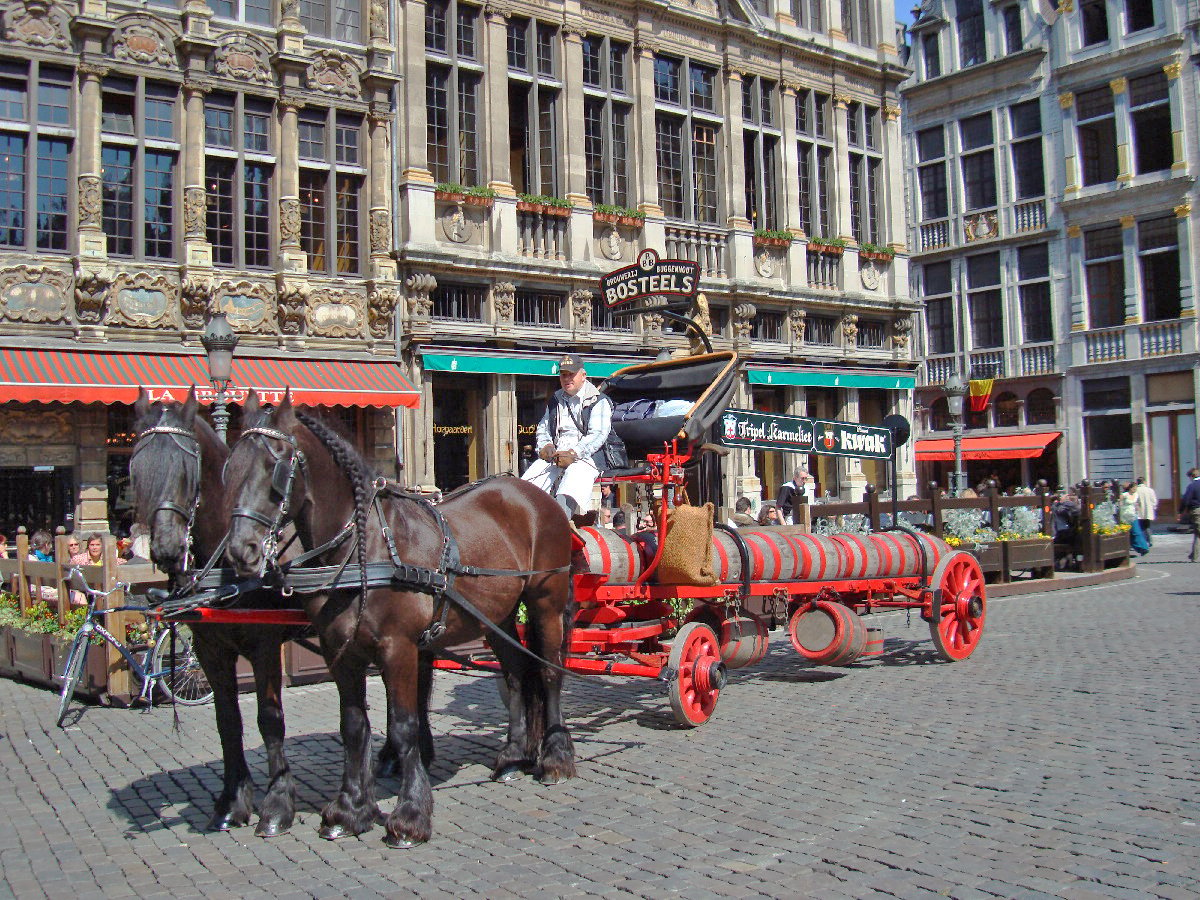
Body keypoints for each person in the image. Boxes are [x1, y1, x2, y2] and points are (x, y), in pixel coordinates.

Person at [522, 354, 614, 520]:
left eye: (571, 374)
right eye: (563, 374)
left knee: (570, 485)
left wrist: (573, 453)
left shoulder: (599, 400)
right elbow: (543, 427)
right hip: (557, 456)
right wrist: (546, 446)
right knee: (527, 486)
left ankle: (560, 524)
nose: (567, 379)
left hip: (586, 458)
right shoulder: (556, 399)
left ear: (583, 375)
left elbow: (598, 435)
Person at [1119, 483, 1149, 556]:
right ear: (1130, 488)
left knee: (1137, 532)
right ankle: (1135, 547)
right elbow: (1118, 501)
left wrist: (1138, 510)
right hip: (1125, 515)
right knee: (1128, 533)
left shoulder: (1136, 495)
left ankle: (1143, 548)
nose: (1135, 490)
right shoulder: (1125, 494)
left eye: (1136, 489)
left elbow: (1137, 504)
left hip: (1133, 515)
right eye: (1134, 488)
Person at [1179, 468, 1200, 563]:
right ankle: (1194, 555)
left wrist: (1181, 511)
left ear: (1192, 476)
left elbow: (1186, 500)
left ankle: (1194, 556)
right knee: (1197, 533)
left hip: (1196, 511)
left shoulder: (1192, 486)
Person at [1134, 477, 1157, 548]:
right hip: (1148, 511)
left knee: (1140, 527)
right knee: (1147, 526)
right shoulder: (1150, 490)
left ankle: (1142, 541)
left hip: (1139, 512)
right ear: (1144, 482)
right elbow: (1154, 501)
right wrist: (1153, 508)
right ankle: (1150, 541)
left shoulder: (1136, 490)